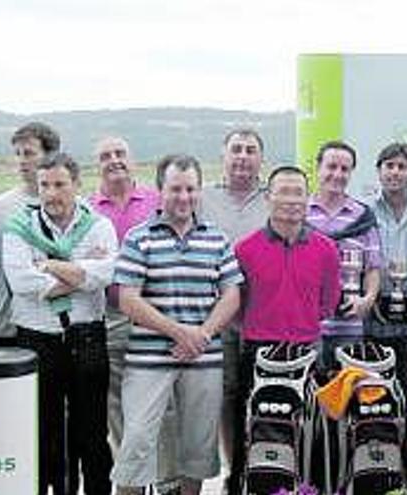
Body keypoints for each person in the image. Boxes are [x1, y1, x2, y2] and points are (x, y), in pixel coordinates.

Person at [111, 154, 242, 495]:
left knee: (196, 446)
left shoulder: (217, 239)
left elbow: (231, 295)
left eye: (191, 189)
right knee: (137, 440)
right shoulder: (139, 238)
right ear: (159, 190)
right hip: (148, 361)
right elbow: (128, 299)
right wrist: (180, 332)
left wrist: (202, 334)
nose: (184, 197)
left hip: (203, 357)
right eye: (175, 189)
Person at [3, 152, 117, 495]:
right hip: (38, 339)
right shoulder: (19, 226)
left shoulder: (99, 225)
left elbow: (107, 273)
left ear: (77, 185)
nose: (51, 194)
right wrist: (82, 271)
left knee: (92, 431)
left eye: (59, 185)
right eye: (44, 185)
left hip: (87, 337)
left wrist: (48, 264)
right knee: (43, 429)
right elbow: (22, 283)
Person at [231, 165, 341, 493]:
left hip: (308, 352)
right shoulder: (244, 249)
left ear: (308, 199)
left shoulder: (326, 249)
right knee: (251, 430)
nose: (292, 200)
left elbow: (328, 302)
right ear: (268, 197)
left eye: (299, 193)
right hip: (258, 352)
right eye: (284, 192)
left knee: (308, 432)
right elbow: (236, 305)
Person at [87, 136, 164, 484]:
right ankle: (132, 482)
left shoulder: (157, 200)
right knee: (118, 407)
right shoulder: (87, 209)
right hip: (112, 316)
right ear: (97, 164)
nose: (114, 160)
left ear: (133, 160)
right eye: (106, 156)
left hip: (156, 314)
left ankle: (161, 478)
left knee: (160, 405)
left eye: (120, 153)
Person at [198, 128, 269, 492]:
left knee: (261, 392)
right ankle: (232, 467)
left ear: (261, 159)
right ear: (223, 155)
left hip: (264, 314)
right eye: (236, 150)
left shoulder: (273, 197)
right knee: (226, 393)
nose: (243, 156)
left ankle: (261, 464)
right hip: (216, 313)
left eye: (251, 150)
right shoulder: (202, 197)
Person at [364, 142, 407, 478]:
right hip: (374, 324)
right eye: (388, 165)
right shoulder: (363, 213)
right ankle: (377, 472)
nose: (395, 172)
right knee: (376, 402)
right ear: (379, 171)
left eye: (401, 166)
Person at [306, 140, 382, 371]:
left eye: (344, 169)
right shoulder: (299, 213)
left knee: (348, 398)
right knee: (310, 398)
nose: (337, 174)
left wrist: (367, 300)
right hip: (307, 327)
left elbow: (373, 267)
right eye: (331, 167)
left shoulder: (363, 217)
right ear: (318, 168)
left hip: (349, 328)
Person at [0, 122, 61, 347]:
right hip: (10, 325)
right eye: (18, 153)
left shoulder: (73, 207)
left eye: (29, 153)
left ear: (50, 156)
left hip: (59, 324)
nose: (21, 160)